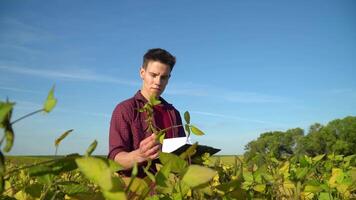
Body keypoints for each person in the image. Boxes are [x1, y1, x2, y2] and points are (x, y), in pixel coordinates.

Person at [108, 48, 186, 177]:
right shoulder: (125, 109)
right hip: (139, 191)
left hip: (171, 191)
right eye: (153, 75)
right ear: (142, 73)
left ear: (169, 79)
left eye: (164, 77)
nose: (158, 82)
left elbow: (181, 155)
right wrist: (140, 155)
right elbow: (115, 159)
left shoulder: (174, 113)